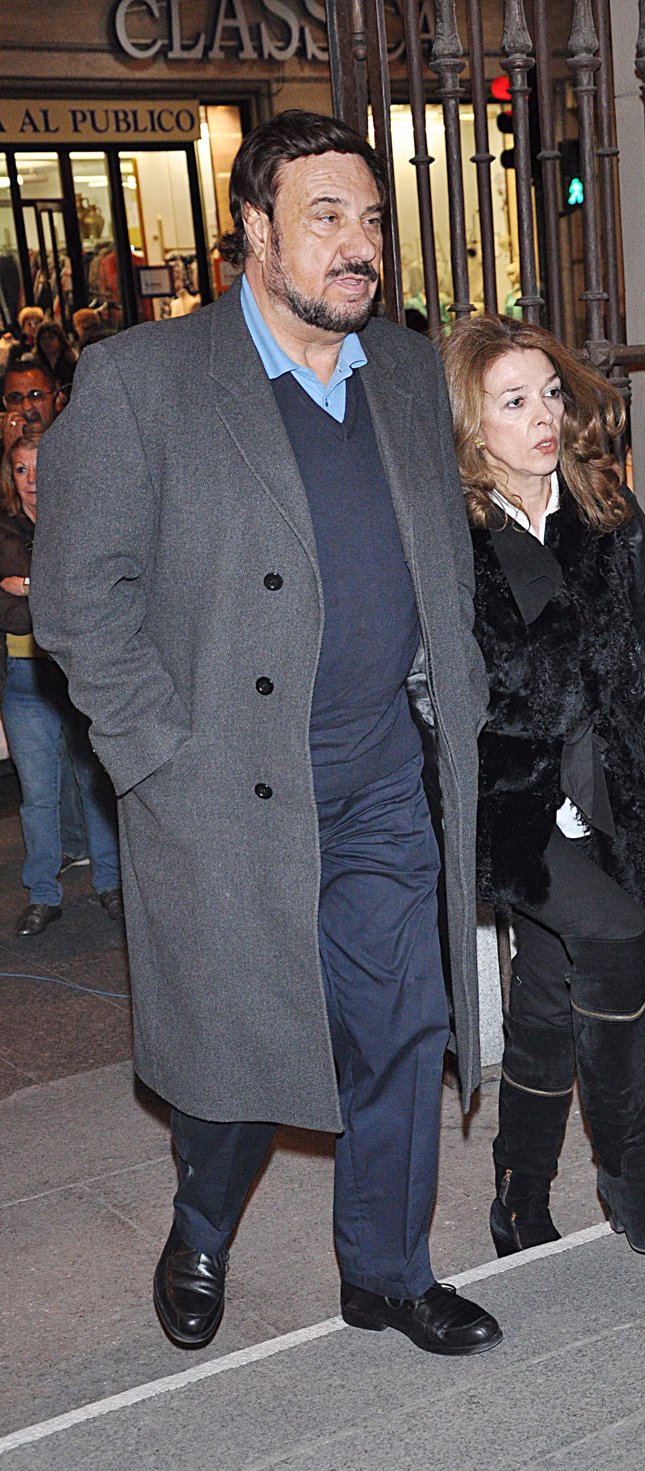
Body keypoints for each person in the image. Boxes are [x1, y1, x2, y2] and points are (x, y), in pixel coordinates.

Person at [31, 110, 501, 1358]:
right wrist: (157, 756)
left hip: (381, 777)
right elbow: (77, 601)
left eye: (371, 220)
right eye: (325, 218)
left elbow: (440, 560)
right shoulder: (142, 381)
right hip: (225, 789)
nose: (359, 247)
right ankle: (199, 1224)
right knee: (242, 1044)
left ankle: (386, 1272)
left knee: (401, 1025)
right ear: (254, 230)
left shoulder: (403, 369)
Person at [442, 313, 645, 1258]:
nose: (544, 416)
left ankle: (519, 1192)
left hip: (613, 789)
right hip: (514, 808)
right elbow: (431, 687)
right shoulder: (452, 537)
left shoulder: (605, 508)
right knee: (622, 944)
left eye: (549, 393)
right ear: (472, 424)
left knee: (550, 990)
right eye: (513, 402)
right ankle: (629, 1173)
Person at [0, 433, 122, 934]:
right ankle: (43, 895)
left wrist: (27, 584)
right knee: (37, 797)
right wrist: (43, 592)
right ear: (11, 479)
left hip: (77, 674)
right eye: (21, 470)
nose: (32, 480)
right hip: (24, 680)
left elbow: (87, 592)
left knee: (95, 787)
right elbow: (12, 615)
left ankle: (110, 885)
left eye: (40, 467)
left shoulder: (80, 525)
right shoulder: (5, 531)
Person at [35, 320, 77, 389]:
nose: (47, 342)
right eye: (43, 339)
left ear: (60, 340)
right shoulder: (36, 364)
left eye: (51, 338)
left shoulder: (71, 362)